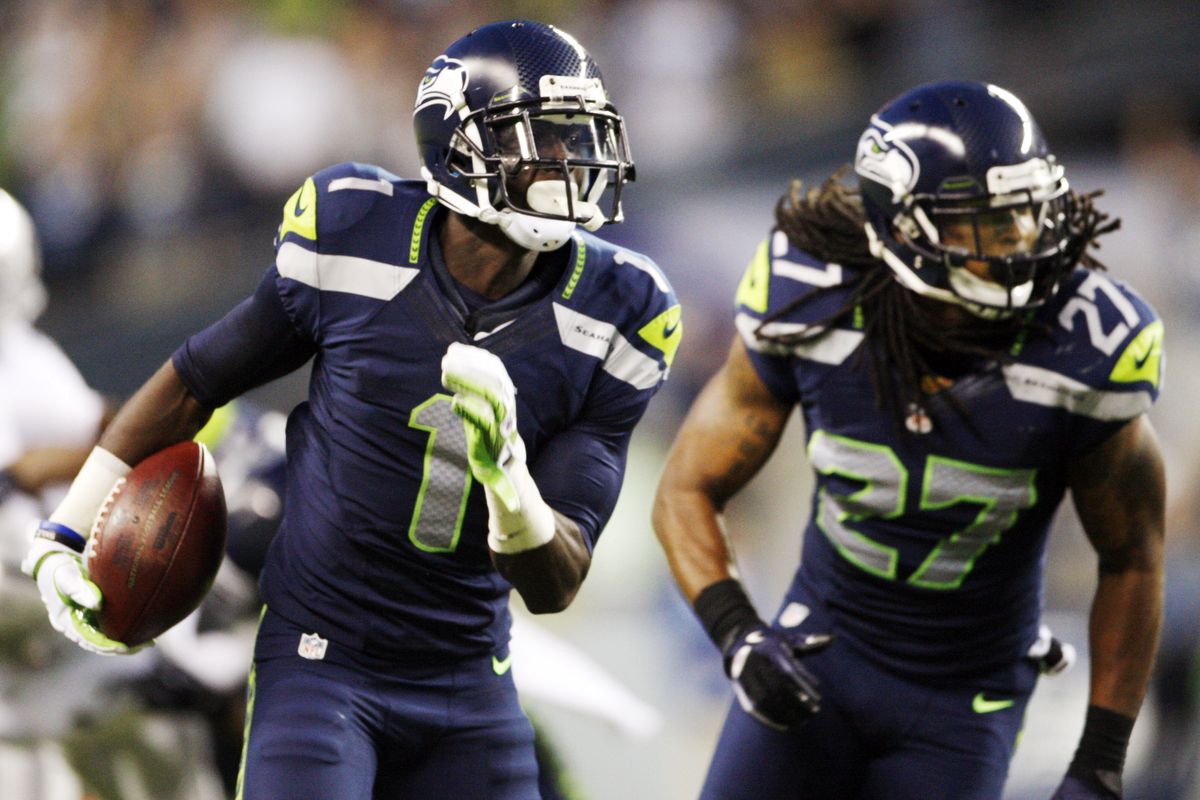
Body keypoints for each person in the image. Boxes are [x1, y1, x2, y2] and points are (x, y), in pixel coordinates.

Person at [22, 19, 680, 800]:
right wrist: (67, 529)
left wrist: (511, 486)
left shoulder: (622, 310)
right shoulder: (354, 230)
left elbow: (554, 582)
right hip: (321, 664)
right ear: (459, 145)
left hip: (470, 678)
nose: (569, 163)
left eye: (576, 139)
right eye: (540, 139)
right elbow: (197, 380)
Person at [653, 81, 1164, 800]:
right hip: (820, 655)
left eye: (1026, 211)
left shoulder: (1089, 345)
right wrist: (738, 633)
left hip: (967, 697)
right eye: (984, 223)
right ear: (904, 228)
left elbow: (1134, 560)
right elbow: (686, 486)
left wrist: (1101, 759)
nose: (1020, 242)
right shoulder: (811, 297)